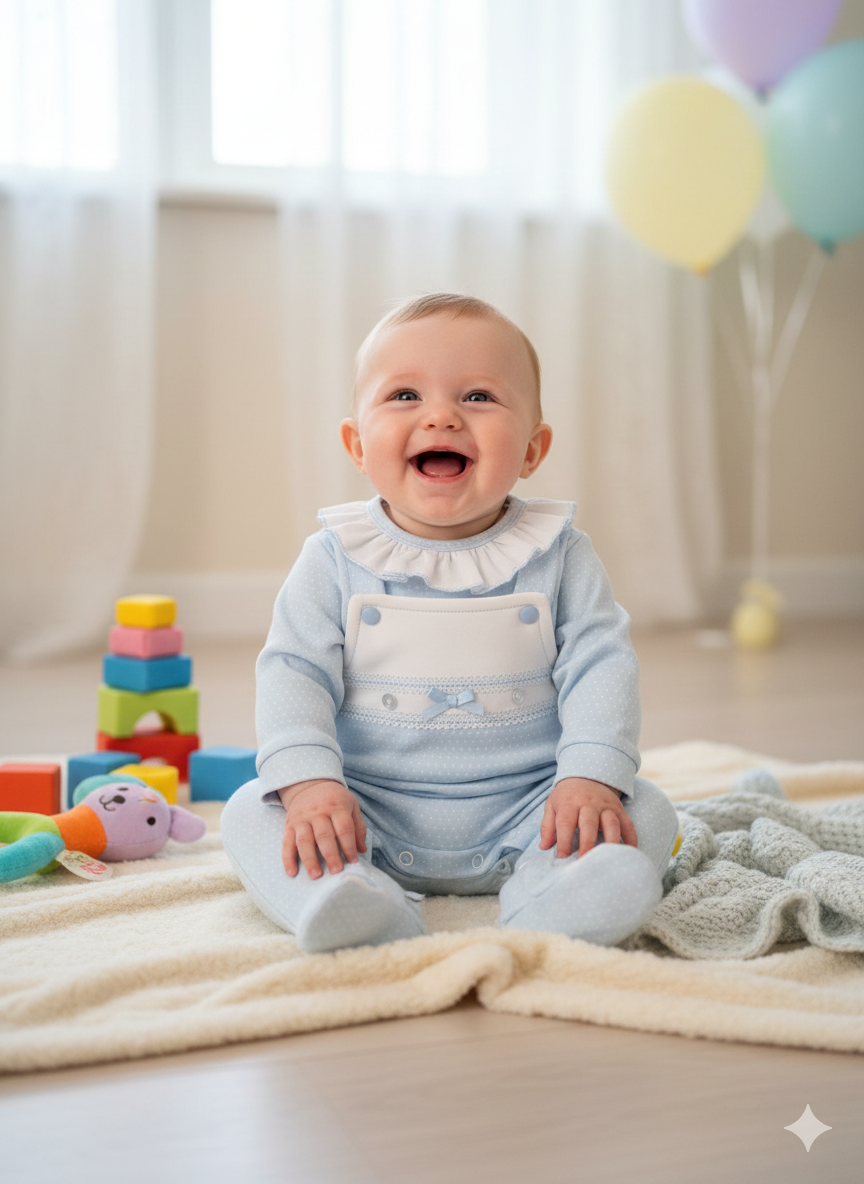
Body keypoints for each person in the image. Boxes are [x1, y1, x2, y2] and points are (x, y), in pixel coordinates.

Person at [221, 293, 679, 953]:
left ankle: (555, 897)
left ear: (532, 449)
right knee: (251, 811)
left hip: (535, 809)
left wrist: (588, 776)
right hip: (365, 813)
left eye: (478, 397)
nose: (441, 416)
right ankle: (349, 896)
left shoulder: (561, 556)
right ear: (357, 445)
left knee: (646, 809)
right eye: (404, 395)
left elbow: (603, 665)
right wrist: (312, 785)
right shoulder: (333, 558)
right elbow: (292, 672)